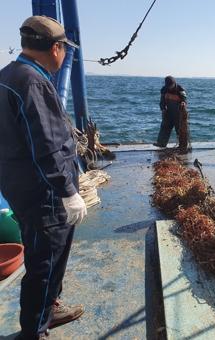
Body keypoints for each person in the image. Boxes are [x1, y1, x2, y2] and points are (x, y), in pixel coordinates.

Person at [0, 16, 87, 339]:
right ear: (55, 48)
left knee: (51, 254)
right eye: (64, 49)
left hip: (20, 186)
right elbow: (46, 145)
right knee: (43, 263)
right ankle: (33, 331)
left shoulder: (8, 75)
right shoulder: (33, 83)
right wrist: (67, 190)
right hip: (43, 194)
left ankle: (50, 307)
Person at [154, 76, 188, 149]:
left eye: (171, 85)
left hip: (179, 112)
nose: (169, 87)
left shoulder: (180, 89)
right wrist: (163, 108)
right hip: (168, 111)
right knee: (164, 126)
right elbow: (162, 101)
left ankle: (182, 145)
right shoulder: (164, 89)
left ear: (174, 83)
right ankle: (161, 143)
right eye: (168, 86)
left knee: (180, 129)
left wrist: (183, 102)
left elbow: (184, 99)